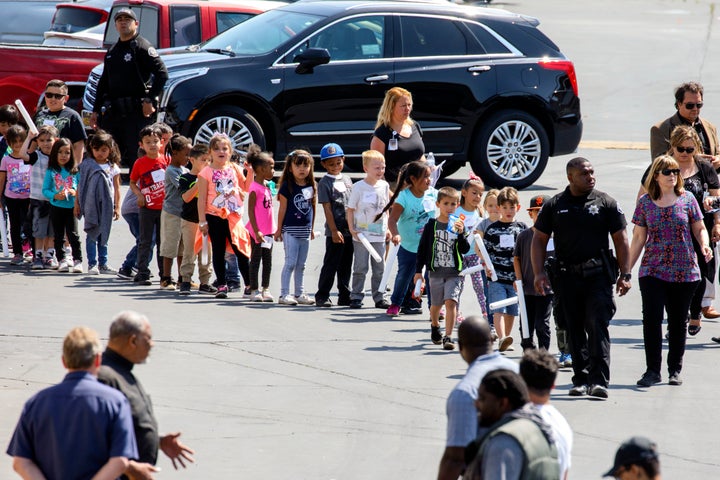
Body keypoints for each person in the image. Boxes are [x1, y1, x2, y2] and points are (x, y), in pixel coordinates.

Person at [531, 157, 631, 399]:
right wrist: (538, 273)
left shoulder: (606, 202)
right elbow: (539, 240)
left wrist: (625, 274)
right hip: (567, 277)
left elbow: (621, 239)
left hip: (598, 276)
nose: (591, 176)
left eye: (592, 172)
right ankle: (580, 378)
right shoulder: (555, 205)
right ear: (570, 177)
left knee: (597, 326)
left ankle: (599, 381)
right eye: (584, 173)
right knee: (574, 328)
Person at [7, 326, 137, 480]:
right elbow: (120, 462)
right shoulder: (115, 402)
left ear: (64, 361)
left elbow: (21, 462)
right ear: (97, 360)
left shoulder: (36, 403)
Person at [630, 155, 710, 387]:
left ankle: (675, 369)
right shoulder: (645, 203)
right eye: (667, 171)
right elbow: (637, 239)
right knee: (652, 320)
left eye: (675, 171)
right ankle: (652, 371)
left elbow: (699, 227)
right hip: (652, 270)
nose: (673, 175)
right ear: (656, 175)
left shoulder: (688, 200)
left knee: (677, 322)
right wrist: (625, 269)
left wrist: (704, 244)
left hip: (684, 271)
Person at [641, 125, 720, 334]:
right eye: (681, 149)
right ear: (672, 147)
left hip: (699, 228)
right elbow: (643, 196)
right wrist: (643, 225)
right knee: (669, 278)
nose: (685, 154)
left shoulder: (704, 168)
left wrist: (717, 220)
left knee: (700, 274)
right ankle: (679, 317)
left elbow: (717, 196)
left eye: (690, 149)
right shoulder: (661, 168)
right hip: (669, 235)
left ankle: (695, 312)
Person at [98, 311, 195, 479]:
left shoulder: (121, 373)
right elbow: (89, 438)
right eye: (148, 339)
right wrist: (130, 468)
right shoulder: (104, 378)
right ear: (133, 341)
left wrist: (157, 441)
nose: (152, 344)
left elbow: (121, 428)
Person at [437, 315, 517, 480]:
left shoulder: (465, 392)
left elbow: (455, 459)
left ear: (460, 347)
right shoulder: (519, 372)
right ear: (492, 340)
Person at [91, 8, 168, 169]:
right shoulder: (113, 50)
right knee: (109, 152)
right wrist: (96, 110)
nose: (123, 22)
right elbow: (104, 81)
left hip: (136, 112)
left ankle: (143, 191)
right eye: (120, 20)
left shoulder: (142, 47)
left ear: (136, 24)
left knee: (137, 155)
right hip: (115, 111)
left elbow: (162, 74)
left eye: (127, 19)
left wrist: (150, 100)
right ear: (115, 25)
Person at [463, 369, 559, 480]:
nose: (476, 403)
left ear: (503, 403)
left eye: (483, 398)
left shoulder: (502, 443)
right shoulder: (539, 427)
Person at [197, 133, 253, 299]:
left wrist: (249, 172)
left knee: (240, 249)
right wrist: (202, 221)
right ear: (210, 152)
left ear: (230, 151)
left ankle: (249, 284)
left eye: (225, 148)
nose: (221, 151)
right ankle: (222, 284)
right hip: (214, 216)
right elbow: (201, 199)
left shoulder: (234, 168)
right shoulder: (206, 172)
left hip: (233, 217)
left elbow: (246, 187)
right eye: (217, 149)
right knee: (219, 251)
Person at [414, 186, 470, 350]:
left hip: (454, 272)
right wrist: (419, 271)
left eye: (453, 204)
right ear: (438, 204)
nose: (449, 207)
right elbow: (423, 249)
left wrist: (461, 234)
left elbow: (464, 249)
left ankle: (448, 336)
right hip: (436, 271)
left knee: (451, 302)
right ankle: (434, 325)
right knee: (436, 305)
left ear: (457, 205)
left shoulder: (459, 224)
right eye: (446, 203)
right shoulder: (431, 225)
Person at [381, 160, 436, 316]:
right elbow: (392, 219)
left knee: (431, 278)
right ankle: (396, 303)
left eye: (429, 176)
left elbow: (448, 206)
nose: (429, 180)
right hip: (409, 246)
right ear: (412, 179)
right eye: (425, 177)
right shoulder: (404, 197)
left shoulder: (433, 193)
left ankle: (434, 307)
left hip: (430, 245)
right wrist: (395, 233)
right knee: (405, 276)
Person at [482, 186, 527, 352]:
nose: (508, 211)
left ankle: (506, 338)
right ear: (499, 208)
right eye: (505, 207)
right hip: (497, 278)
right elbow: (485, 251)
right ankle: (501, 338)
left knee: (512, 311)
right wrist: (487, 267)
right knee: (499, 308)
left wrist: (522, 276)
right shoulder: (492, 229)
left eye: (512, 207)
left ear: (518, 207)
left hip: (516, 279)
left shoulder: (522, 229)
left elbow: (526, 253)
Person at [520, 349, 573, 480]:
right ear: (553, 385)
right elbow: (564, 472)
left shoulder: (519, 422)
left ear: (521, 380)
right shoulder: (563, 424)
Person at [347, 149, 390, 309]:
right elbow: (350, 209)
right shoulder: (358, 187)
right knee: (360, 267)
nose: (381, 171)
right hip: (362, 236)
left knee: (380, 268)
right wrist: (352, 229)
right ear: (366, 169)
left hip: (378, 234)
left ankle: (380, 297)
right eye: (377, 168)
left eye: (383, 167)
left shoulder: (384, 186)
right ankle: (356, 296)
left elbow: (386, 209)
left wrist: (388, 229)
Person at [274, 149, 317, 305]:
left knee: (301, 264)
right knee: (290, 262)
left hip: (304, 231)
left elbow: (312, 207)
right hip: (290, 230)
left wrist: (311, 228)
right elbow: (283, 208)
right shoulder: (287, 186)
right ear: (290, 167)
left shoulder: (311, 185)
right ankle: (284, 294)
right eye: (298, 165)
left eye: (306, 166)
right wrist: (279, 229)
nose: (302, 169)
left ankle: (299, 293)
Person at [76, 130, 122, 275]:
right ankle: (92, 264)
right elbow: (80, 185)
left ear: (110, 150)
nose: (100, 153)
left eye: (104, 150)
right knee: (91, 235)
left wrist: (117, 207)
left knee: (104, 235)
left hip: (107, 207)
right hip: (91, 206)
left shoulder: (112, 167)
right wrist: (77, 204)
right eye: (97, 149)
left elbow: (117, 187)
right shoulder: (87, 165)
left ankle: (103, 263)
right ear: (91, 149)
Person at [315, 143, 354, 308]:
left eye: (338, 162)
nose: (335, 167)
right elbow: (327, 208)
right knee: (331, 264)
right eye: (331, 164)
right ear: (324, 164)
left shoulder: (347, 179)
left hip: (349, 230)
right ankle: (322, 295)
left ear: (343, 160)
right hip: (335, 231)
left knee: (346, 265)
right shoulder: (324, 183)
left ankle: (344, 294)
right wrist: (333, 230)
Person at [130, 125, 168, 286]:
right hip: (146, 208)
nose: (152, 145)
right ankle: (142, 272)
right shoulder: (140, 163)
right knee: (145, 241)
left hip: (164, 209)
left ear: (162, 142)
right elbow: (132, 182)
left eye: (155, 141)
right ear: (142, 145)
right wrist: (139, 194)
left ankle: (164, 274)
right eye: (148, 142)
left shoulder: (167, 160)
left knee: (162, 242)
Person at [514, 195, 553, 350]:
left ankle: (543, 354)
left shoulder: (554, 236)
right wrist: (518, 280)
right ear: (530, 214)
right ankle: (529, 352)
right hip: (527, 288)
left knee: (541, 324)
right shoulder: (524, 235)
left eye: (544, 212)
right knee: (526, 323)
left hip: (547, 289)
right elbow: (516, 258)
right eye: (537, 212)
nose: (540, 215)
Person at [650, 81, 719, 166]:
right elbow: (659, 164)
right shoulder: (661, 129)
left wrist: (718, 160)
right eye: (690, 105)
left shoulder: (710, 127)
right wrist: (693, 159)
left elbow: (717, 152)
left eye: (699, 105)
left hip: (709, 178)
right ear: (679, 104)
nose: (695, 108)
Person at [178, 143, 217, 295]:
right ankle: (185, 280)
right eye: (203, 160)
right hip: (189, 220)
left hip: (206, 221)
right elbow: (186, 197)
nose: (207, 164)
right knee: (189, 251)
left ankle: (205, 282)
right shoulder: (185, 177)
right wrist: (199, 182)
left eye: (209, 160)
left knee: (206, 252)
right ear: (192, 160)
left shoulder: (212, 178)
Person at [19, 125, 59, 270]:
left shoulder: (59, 157)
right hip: (38, 199)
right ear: (38, 142)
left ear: (56, 140)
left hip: (55, 199)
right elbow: (22, 155)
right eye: (42, 140)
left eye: (49, 140)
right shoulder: (36, 156)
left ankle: (49, 256)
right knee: (39, 230)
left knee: (52, 231)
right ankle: (38, 255)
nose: (46, 143)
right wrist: (29, 137)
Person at [43, 137, 84, 273]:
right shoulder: (51, 170)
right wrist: (54, 195)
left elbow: (80, 188)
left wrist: (74, 192)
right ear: (55, 153)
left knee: (73, 235)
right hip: (56, 207)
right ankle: (61, 260)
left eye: (67, 152)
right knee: (58, 235)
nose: (63, 155)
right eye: (60, 152)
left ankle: (78, 260)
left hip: (72, 207)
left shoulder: (75, 170)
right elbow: (45, 190)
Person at [370, 87, 425, 181]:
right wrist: (389, 193)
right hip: (395, 186)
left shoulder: (414, 126)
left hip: (417, 184)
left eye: (409, 105)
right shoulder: (382, 133)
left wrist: (429, 168)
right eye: (403, 106)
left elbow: (420, 155)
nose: (407, 109)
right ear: (391, 107)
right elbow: (376, 171)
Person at [159, 134, 192, 290]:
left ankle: (182, 277)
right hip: (172, 213)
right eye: (186, 154)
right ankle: (165, 278)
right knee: (170, 246)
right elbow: (184, 187)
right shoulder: (172, 171)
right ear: (175, 153)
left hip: (183, 214)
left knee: (182, 248)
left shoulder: (185, 169)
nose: (189, 157)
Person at [455, 176, 488, 324]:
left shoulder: (480, 213)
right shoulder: (457, 212)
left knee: (479, 285)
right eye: (474, 193)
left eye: (480, 194)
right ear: (464, 193)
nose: (478, 197)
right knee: (458, 286)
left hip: (474, 255)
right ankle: (455, 313)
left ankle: (486, 311)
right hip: (459, 255)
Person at [246, 144, 276, 302]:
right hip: (257, 231)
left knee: (268, 260)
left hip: (269, 231)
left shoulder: (267, 186)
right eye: (270, 167)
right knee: (256, 259)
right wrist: (257, 231)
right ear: (259, 169)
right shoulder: (254, 188)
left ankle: (266, 288)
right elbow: (251, 211)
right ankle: (254, 289)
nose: (273, 170)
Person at [33, 79, 87, 163]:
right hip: (40, 165)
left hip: (63, 166)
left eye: (58, 96)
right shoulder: (39, 115)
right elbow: (33, 142)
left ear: (66, 98)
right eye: (49, 95)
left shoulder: (73, 116)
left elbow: (79, 145)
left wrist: (75, 168)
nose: (53, 99)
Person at [0, 124, 31, 265]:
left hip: (28, 197)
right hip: (11, 197)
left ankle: (31, 249)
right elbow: (1, 179)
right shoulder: (6, 159)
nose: (18, 145)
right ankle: (18, 253)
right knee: (14, 224)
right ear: (9, 143)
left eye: (21, 141)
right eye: (14, 142)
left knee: (29, 224)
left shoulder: (30, 158)